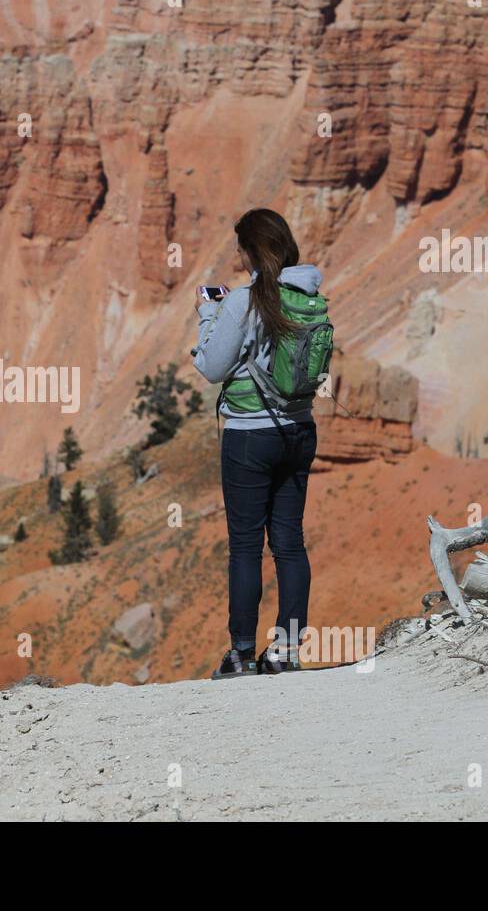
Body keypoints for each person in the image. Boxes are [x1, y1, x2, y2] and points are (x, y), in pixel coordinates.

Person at [191, 208, 325, 677]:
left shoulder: (242, 302)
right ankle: (286, 652)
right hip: (299, 431)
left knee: (245, 547)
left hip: (250, 437)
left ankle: (241, 656)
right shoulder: (308, 294)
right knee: (290, 543)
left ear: (250, 252)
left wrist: (208, 314)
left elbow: (211, 367)